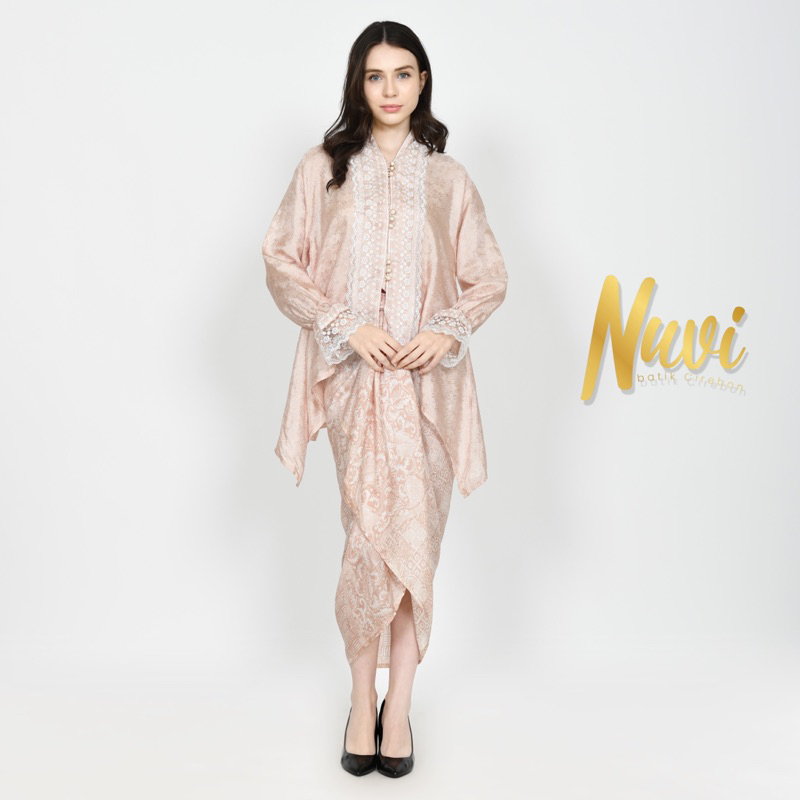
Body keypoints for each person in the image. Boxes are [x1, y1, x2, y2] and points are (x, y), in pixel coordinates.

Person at [261, 20, 508, 778]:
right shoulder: (323, 170)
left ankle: (397, 707)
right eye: (376, 76)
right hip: (356, 385)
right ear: (358, 84)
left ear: (422, 81)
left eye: (403, 74)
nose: (391, 89)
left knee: (415, 550)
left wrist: (445, 328)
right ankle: (357, 699)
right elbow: (280, 261)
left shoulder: (449, 179)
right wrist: (345, 324)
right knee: (368, 545)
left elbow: (488, 276)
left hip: (428, 390)